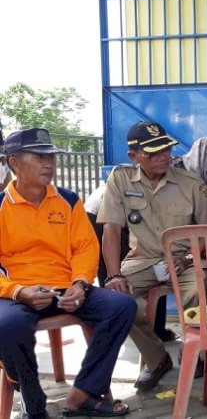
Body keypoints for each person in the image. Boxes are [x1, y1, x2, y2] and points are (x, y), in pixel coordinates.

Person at [0, 128, 136, 419]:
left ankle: (85, 393)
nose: (48, 163)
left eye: (50, 156)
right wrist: (18, 291)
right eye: (39, 156)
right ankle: (31, 400)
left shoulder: (68, 200)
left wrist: (81, 283)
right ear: (14, 163)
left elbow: (86, 248)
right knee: (7, 325)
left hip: (65, 288)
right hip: (17, 293)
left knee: (122, 306)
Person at [97, 120, 207, 391]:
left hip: (186, 260)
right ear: (133, 156)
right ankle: (156, 357)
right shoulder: (121, 178)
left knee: (200, 289)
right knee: (115, 299)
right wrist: (114, 275)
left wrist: (190, 259)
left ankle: (194, 352)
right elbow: (111, 230)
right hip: (143, 260)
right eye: (153, 153)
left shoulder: (191, 183)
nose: (163, 157)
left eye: (166, 150)